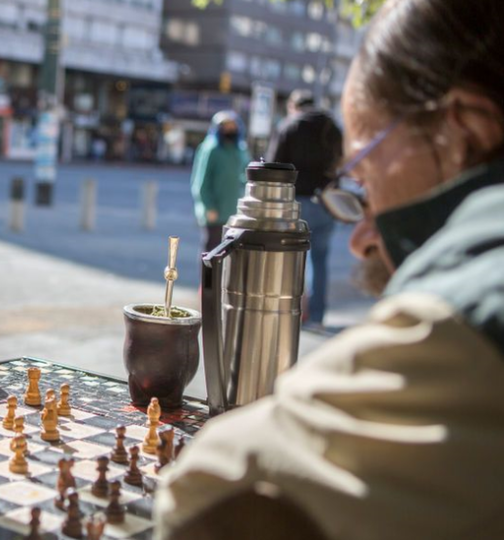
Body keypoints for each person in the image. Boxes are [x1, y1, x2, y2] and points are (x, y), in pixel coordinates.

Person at [157, 0, 504, 538]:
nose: (362, 237)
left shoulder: (467, 316)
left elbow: (206, 495)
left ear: (466, 134)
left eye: (363, 176)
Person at [267, 89, 343, 328]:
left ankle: (293, 312)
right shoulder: (332, 127)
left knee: (293, 259)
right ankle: (317, 316)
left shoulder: (290, 126)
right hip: (327, 201)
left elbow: (273, 165)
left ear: (293, 106)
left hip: (296, 202)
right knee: (320, 260)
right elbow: (343, 161)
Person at [190, 111, 251, 255]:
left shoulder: (240, 149)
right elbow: (200, 182)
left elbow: (246, 175)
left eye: (232, 126)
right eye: (226, 126)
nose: (230, 129)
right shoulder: (210, 149)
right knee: (211, 252)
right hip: (215, 214)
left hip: (235, 212)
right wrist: (208, 206)